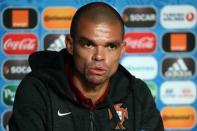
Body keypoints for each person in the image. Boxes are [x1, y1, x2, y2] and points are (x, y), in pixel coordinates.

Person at [9, 2, 164, 131]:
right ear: (70, 45)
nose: (99, 56)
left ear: (122, 50)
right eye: (88, 44)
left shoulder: (137, 94)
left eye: (111, 46)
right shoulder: (37, 91)